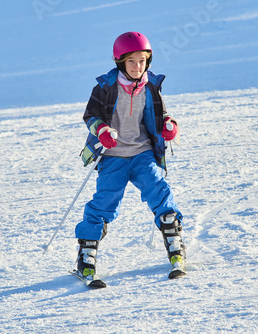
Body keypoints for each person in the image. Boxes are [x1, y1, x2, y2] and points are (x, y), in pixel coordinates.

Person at [75, 32, 186, 280]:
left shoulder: (151, 87)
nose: (138, 66)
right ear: (120, 62)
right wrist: (101, 130)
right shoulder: (105, 87)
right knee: (104, 202)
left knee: (159, 190)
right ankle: (86, 255)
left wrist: (170, 126)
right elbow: (90, 117)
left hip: (142, 153)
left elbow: (163, 115)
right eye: (132, 61)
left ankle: (176, 246)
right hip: (113, 155)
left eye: (142, 61)